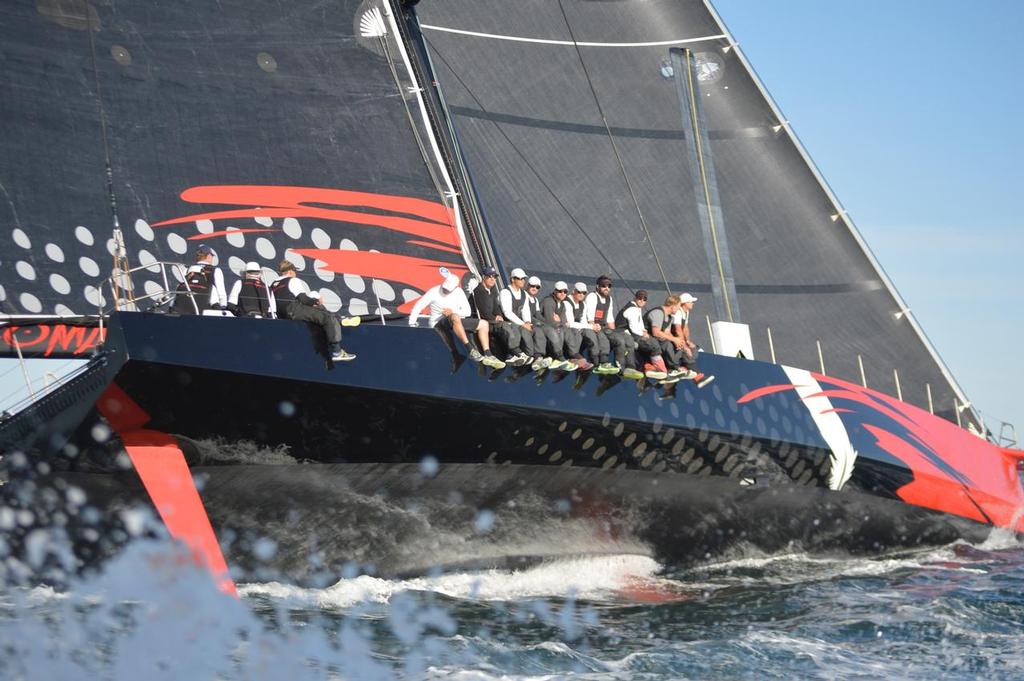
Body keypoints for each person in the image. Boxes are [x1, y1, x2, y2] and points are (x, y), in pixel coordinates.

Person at [409, 273, 505, 369]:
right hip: (438, 323)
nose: (446, 290)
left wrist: (452, 312)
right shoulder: (434, 291)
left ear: (455, 287)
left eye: (448, 289)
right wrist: (412, 323)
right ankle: (470, 349)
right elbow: (419, 305)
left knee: (484, 324)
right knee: (454, 316)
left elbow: (467, 312)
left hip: (455, 321)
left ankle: (488, 354)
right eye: (445, 288)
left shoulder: (459, 292)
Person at [270, 259, 355, 362]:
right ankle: (337, 351)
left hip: (282, 313)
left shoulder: (274, 284)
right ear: (290, 271)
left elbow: (272, 305)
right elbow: (303, 299)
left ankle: (339, 319)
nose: (296, 274)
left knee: (320, 312)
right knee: (327, 317)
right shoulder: (293, 280)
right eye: (295, 271)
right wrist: (316, 301)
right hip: (294, 310)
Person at [584, 275, 641, 378]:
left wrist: (614, 332)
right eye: (603, 285)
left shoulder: (609, 299)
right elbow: (590, 318)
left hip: (605, 328)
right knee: (619, 340)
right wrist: (596, 327)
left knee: (627, 338)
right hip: (592, 327)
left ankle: (630, 368)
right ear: (597, 286)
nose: (607, 288)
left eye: (609, 286)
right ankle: (619, 369)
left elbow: (610, 319)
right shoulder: (592, 296)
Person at [471, 265, 523, 365]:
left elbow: (496, 306)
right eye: (489, 276)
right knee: (503, 326)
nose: (492, 279)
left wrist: (499, 315)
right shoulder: (479, 291)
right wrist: (495, 318)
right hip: (485, 323)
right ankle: (515, 353)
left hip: (493, 320)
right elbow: (483, 311)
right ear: (483, 277)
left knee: (512, 325)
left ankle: (511, 355)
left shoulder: (493, 289)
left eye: (494, 277)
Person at [615, 290, 666, 379]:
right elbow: (634, 328)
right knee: (654, 345)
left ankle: (649, 368)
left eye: (644, 299)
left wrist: (644, 331)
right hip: (626, 335)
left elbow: (639, 324)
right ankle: (661, 371)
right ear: (635, 298)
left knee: (651, 342)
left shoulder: (636, 308)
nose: (642, 301)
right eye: (639, 298)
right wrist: (643, 334)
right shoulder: (632, 309)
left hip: (631, 334)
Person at [530, 276, 574, 371]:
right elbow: (550, 320)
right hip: (540, 326)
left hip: (547, 326)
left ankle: (571, 356)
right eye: (560, 291)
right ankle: (559, 357)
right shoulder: (548, 301)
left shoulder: (562, 304)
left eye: (565, 292)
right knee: (557, 330)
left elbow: (564, 322)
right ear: (554, 291)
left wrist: (559, 322)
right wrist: (559, 323)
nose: (562, 293)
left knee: (565, 330)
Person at [499, 267, 538, 368]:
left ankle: (532, 356)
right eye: (520, 279)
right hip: (504, 323)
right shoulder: (505, 292)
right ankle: (511, 355)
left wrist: (528, 322)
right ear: (513, 279)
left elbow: (526, 310)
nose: (523, 281)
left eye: (524, 279)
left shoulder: (524, 294)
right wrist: (523, 324)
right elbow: (507, 312)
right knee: (515, 330)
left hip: (519, 323)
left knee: (533, 333)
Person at [173, 243, 227, 314]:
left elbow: (180, 288)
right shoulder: (216, 270)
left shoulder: (187, 270)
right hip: (205, 310)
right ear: (209, 256)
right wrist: (223, 307)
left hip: (183, 308)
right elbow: (221, 291)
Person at [644, 294, 689, 379]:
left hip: (656, 339)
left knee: (676, 346)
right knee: (667, 344)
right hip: (645, 338)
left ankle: (674, 369)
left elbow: (667, 333)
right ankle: (673, 368)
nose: (679, 309)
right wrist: (674, 339)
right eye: (678, 306)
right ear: (673, 306)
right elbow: (656, 332)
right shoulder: (658, 313)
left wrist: (678, 341)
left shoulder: (669, 317)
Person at [563, 282, 598, 372]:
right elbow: (570, 323)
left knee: (590, 333)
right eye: (579, 292)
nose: (582, 295)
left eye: (584, 293)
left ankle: (596, 362)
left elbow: (583, 322)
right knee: (576, 332)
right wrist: (590, 326)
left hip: (578, 329)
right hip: (566, 329)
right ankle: (573, 358)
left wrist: (593, 327)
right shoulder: (567, 302)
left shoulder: (583, 304)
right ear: (573, 291)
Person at [670, 293, 704, 381]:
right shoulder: (678, 313)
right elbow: (677, 330)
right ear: (685, 303)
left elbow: (685, 327)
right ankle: (697, 376)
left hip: (679, 338)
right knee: (686, 351)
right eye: (691, 302)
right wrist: (684, 346)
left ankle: (688, 370)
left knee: (694, 349)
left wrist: (688, 341)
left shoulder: (686, 312)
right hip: (672, 338)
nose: (693, 303)